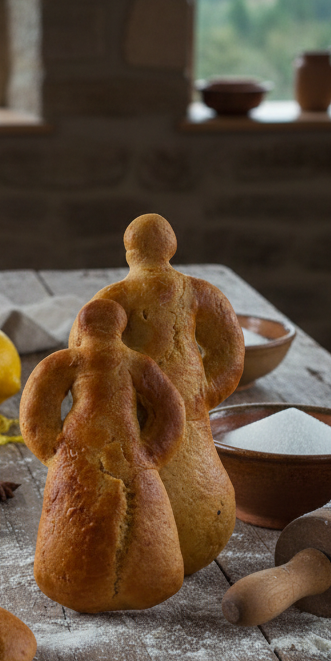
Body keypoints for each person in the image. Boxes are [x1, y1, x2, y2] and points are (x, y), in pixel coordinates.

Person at [68, 214, 244, 575]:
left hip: (135, 420)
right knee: (199, 478)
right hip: (178, 415)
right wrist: (200, 396)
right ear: (169, 246)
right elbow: (230, 354)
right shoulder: (198, 291)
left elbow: (80, 356)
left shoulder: (112, 296)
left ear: (130, 250)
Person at [21, 298, 186, 612]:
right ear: (120, 328)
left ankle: (68, 575)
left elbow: (35, 416)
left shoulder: (63, 361)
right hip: (131, 453)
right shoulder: (139, 363)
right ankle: (151, 574)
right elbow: (170, 413)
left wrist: (54, 453)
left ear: (82, 328)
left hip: (76, 453)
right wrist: (152, 454)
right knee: (143, 511)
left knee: (71, 507)